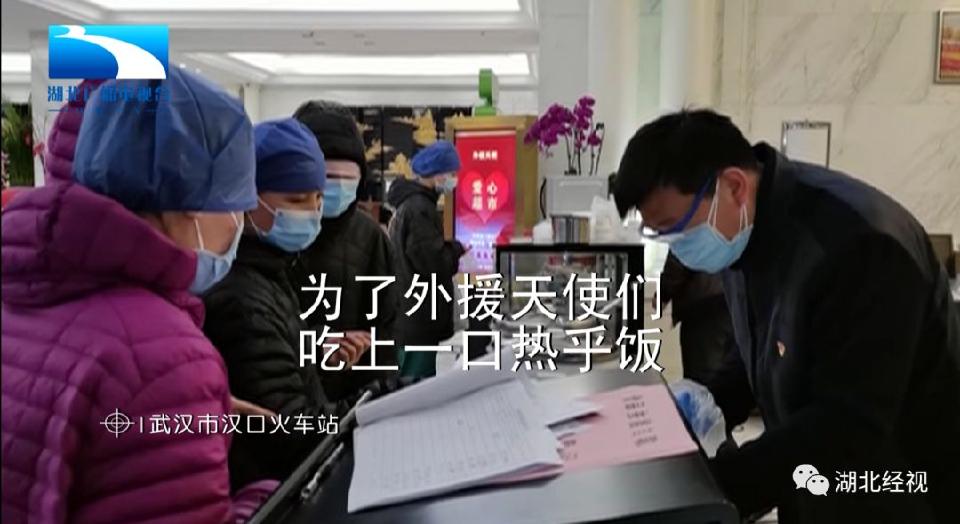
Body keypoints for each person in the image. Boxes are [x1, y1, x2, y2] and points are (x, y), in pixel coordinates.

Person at [612, 109, 960, 524]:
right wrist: (700, 406)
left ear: (734, 186)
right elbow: (761, 350)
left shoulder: (858, 247)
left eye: (678, 228)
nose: (679, 247)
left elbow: (846, 424)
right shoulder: (745, 230)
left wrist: (711, 488)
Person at [1, 69, 274, 523]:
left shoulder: (24, 290)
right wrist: (268, 499)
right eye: (238, 208)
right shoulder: (161, 358)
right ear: (193, 203)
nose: (239, 227)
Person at [202, 118, 397, 489]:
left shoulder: (272, 272)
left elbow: (275, 365)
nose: (312, 212)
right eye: (295, 200)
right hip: (271, 489)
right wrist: (381, 400)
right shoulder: (240, 298)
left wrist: (314, 352)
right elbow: (289, 432)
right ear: (247, 199)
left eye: (318, 199)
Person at [292, 100, 399, 400]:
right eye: (327, 178)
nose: (337, 189)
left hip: (357, 397)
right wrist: (317, 345)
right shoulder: (281, 232)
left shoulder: (371, 238)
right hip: (291, 398)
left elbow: (386, 328)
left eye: (348, 179)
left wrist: (381, 395)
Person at [386, 140, 467, 377]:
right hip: (418, 320)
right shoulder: (420, 209)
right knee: (415, 386)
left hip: (412, 314)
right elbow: (432, 262)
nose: (454, 179)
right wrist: (456, 250)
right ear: (437, 174)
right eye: (451, 173)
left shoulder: (412, 205)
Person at [659, 253, 737, 385]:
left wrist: (663, 292)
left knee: (704, 377)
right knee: (731, 373)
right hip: (733, 300)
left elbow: (680, 256)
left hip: (703, 306)